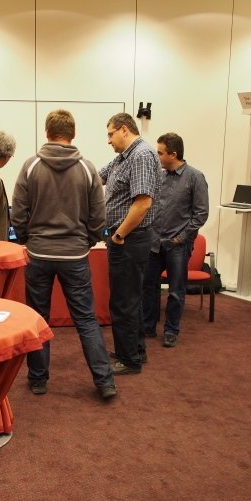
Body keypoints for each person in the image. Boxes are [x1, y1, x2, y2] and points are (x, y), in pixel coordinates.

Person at [12, 110, 117, 400]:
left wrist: (27, 238)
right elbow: (99, 215)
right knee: (86, 320)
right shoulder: (87, 168)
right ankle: (105, 382)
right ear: (73, 134)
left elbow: (18, 211)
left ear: (47, 133)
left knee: (38, 318)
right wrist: (88, 242)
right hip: (75, 255)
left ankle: (38, 379)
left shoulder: (30, 166)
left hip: (39, 254)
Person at [99, 113, 161, 375]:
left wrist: (119, 235)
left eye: (110, 134)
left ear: (124, 130)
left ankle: (129, 359)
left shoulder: (141, 155)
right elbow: (97, 176)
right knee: (129, 298)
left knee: (124, 301)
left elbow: (143, 203)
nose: (108, 140)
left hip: (128, 239)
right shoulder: (123, 157)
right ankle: (134, 350)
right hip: (126, 239)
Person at [142, 132, 209, 348]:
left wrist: (182, 238)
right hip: (155, 243)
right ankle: (148, 326)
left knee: (175, 291)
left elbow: (201, 214)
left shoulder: (195, 177)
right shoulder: (159, 176)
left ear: (173, 154)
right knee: (148, 287)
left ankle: (171, 330)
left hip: (178, 245)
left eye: (160, 153)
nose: (157, 157)